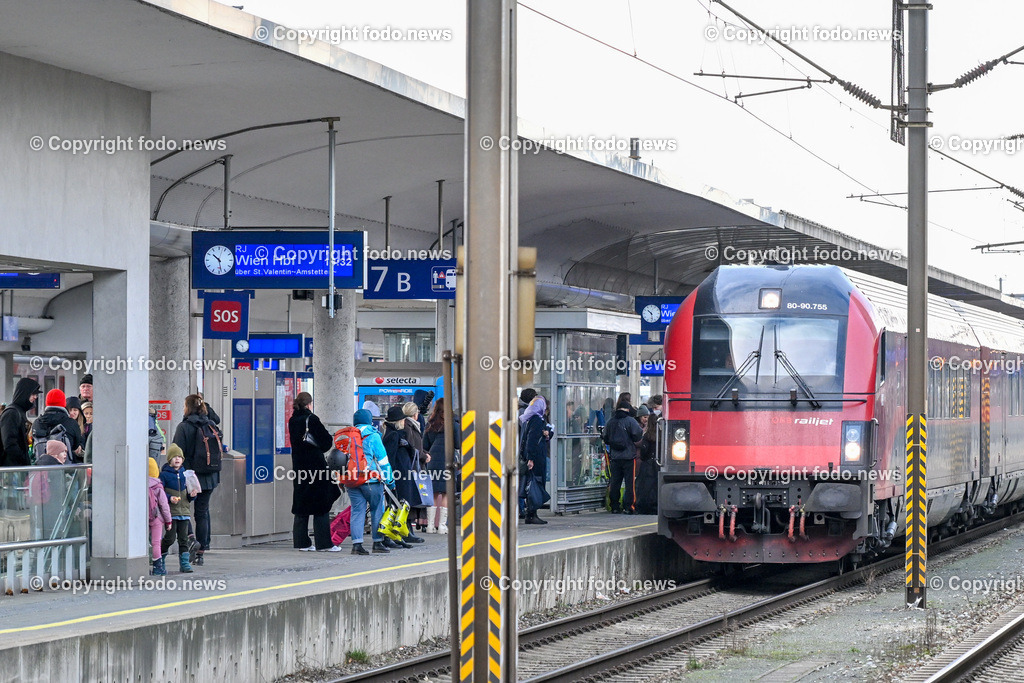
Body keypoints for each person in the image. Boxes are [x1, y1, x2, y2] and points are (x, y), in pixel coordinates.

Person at [172, 394, 222, 566]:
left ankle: (192, 539)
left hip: (190, 476)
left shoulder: (184, 427)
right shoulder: (211, 424)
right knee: (202, 511)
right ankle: (201, 552)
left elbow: (177, 452)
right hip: (210, 475)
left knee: (183, 509)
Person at [288, 392, 340, 552]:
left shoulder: (292, 420)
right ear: (309, 404)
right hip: (316, 466)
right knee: (321, 504)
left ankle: (302, 542)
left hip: (299, 466)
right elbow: (326, 443)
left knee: (301, 503)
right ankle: (324, 543)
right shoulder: (312, 419)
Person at [351, 409, 394, 555]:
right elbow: (383, 461)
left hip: (351, 479)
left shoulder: (348, 435)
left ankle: (356, 545)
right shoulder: (373, 435)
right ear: (369, 420)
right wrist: (390, 481)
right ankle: (377, 542)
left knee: (357, 511)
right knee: (377, 510)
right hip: (371, 480)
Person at [381, 405, 424, 544]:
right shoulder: (393, 435)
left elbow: (410, 451)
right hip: (399, 475)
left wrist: (407, 446)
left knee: (402, 503)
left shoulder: (396, 433)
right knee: (398, 504)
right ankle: (396, 534)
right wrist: (391, 477)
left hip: (403, 474)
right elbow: (390, 457)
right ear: (399, 421)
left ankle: (401, 532)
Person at [602, 396, 643, 514]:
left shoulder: (610, 421)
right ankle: (629, 506)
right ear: (627, 409)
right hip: (629, 457)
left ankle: (614, 506)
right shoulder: (630, 421)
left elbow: (605, 437)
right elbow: (637, 435)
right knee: (630, 483)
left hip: (615, 457)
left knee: (615, 482)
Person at [422, 398, 455, 534]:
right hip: (447, 461)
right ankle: (442, 526)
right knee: (446, 494)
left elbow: (425, 446)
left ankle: (430, 526)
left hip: (433, 461)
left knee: (434, 493)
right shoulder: (453, 425)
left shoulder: (430, 424)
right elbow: (458, 443)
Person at [159, 444, 194, 573]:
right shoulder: (164, 475)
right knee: (170, 538)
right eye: (174, 457)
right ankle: (160, 560)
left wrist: (192, 495)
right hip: (171, 512)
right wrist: (169, 498)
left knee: (183, 539)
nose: (177, 459)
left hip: (184, 511)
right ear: (169, 460)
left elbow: (190, 496)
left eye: (179, 457)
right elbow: (160, 492)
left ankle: (184, 564)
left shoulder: (186, 475)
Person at [519, 395, 550, 524]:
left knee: (531, 485)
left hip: (531, 457)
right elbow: (531, 440)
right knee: (535, 485)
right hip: (536, 458)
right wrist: (531, 459)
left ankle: (530, 513)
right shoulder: (537, 420)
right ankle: (532, 514)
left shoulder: (528, 419)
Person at [32, 389, 84, 462]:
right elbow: (75, 445)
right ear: (63, 403)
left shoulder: (37, 423)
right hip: (64, 469)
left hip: (42, 468)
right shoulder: (71, 423)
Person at [402, 401, 429, 532]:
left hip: (414, 466)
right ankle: (408, 529)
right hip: (412, 468)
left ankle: (409, 529)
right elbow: (413, 448)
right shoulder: (409, 427)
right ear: (414, 414)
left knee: (413, 497)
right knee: (412, 497)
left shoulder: (410, 425)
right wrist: (424, 457)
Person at [0, 377, 40, 466]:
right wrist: (22, 460)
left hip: (15, 469)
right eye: (33, 394)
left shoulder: (17, 412)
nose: (35, 397)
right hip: (12, 470)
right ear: (25, 393)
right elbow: (9, 444)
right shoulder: (12, 413)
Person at [148, 456, 172, 575]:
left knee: (142, 542)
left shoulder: (137, 484)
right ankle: (158, 567)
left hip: (142, 518)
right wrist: (168, 521)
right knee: (156, 542)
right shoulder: (157, 486)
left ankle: (142, 564)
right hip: (156, 518)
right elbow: (164, 505)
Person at [635, 405, 660, 515]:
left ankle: (645, 507)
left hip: (648, 465)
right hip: (658, 464)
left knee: (645, 486)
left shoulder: (647, 436)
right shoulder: (662, 436)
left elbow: (644, 453)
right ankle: (656, 506)